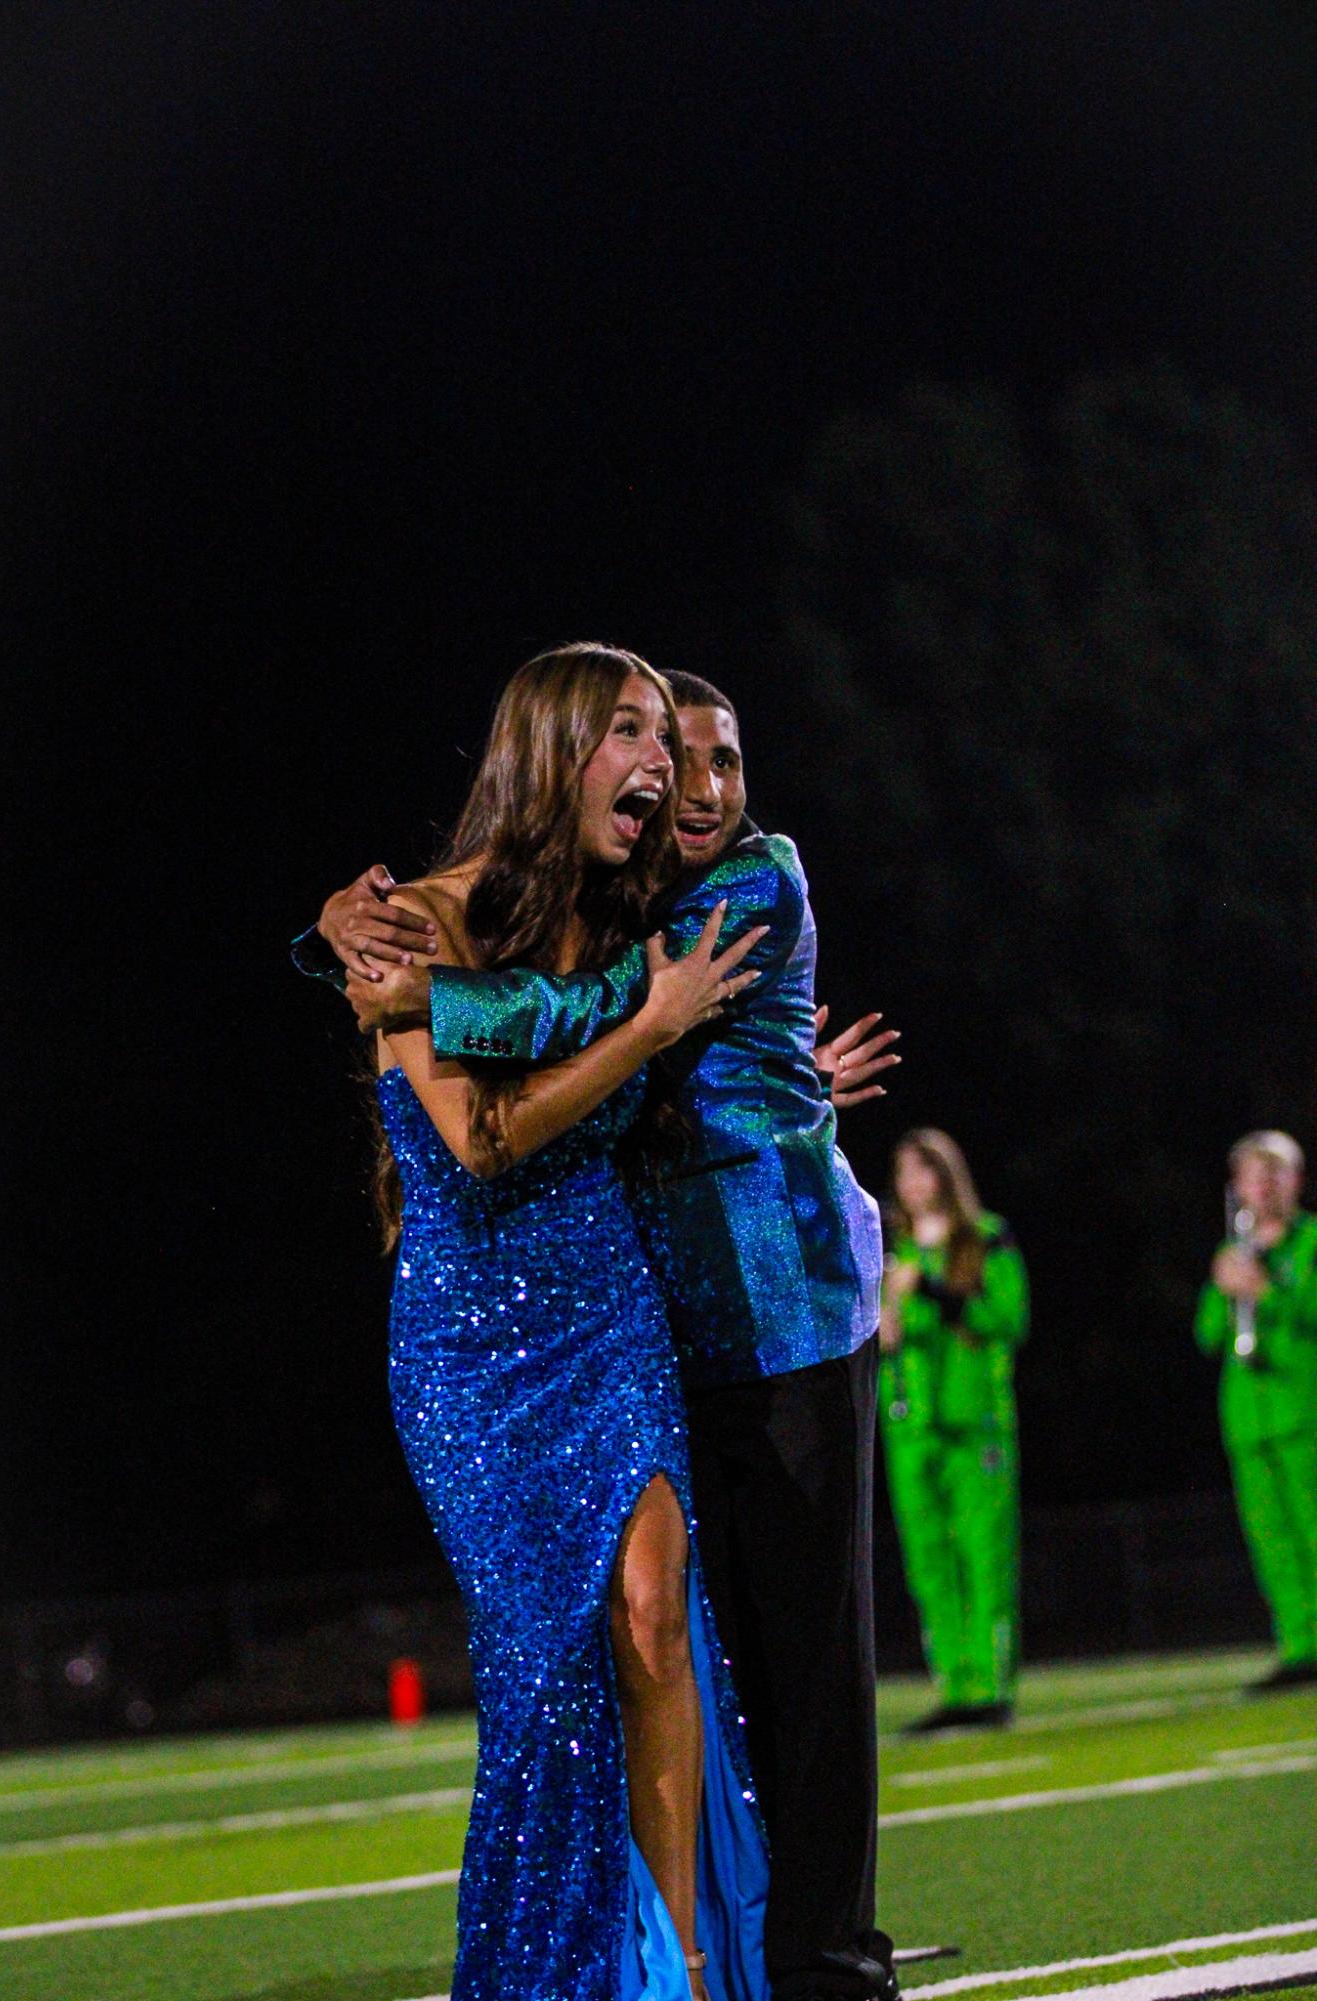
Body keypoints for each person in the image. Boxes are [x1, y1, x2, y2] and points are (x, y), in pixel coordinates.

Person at [310, 670, 902, 2001]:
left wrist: (399, 997)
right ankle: (575, 1961)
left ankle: (762, 1968)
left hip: (738, 1314)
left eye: (715, 760)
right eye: (643, 742)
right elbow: (488, 1123)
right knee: (586, 1663)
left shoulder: (730, 883)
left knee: (736, 1645)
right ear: (558, 752)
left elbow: (593, 1012)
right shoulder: (495, 911)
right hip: (509, 1338)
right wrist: (346, 930)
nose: (688, 784)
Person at [879, 1129, 1028, 1733]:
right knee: (929, 1563)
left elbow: (1008, 1318)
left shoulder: (986, 1237)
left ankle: (991, 1687)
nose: (913, 1185)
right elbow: (886, 1333)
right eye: (905, 1173)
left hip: (974, 1423)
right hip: (911, 1426)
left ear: (947, 1176)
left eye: (925, 1171)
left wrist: (937, 1294)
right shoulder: (895, 1248)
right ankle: (955, 1686)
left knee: (983, 1556)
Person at [1195, 1130, 1317, 1691]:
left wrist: (1269, 1292)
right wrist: (1225, 1289)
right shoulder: (1232, 1252)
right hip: (1249, 1420)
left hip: (1303, 1410)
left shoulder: (1311, 1242)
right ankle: (1299, 1648)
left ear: (1296, 1181)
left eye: (1276, 1174)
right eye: (1253, 1176)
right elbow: (1207, 1335)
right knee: (1273, 1541)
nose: (1264, 1186)